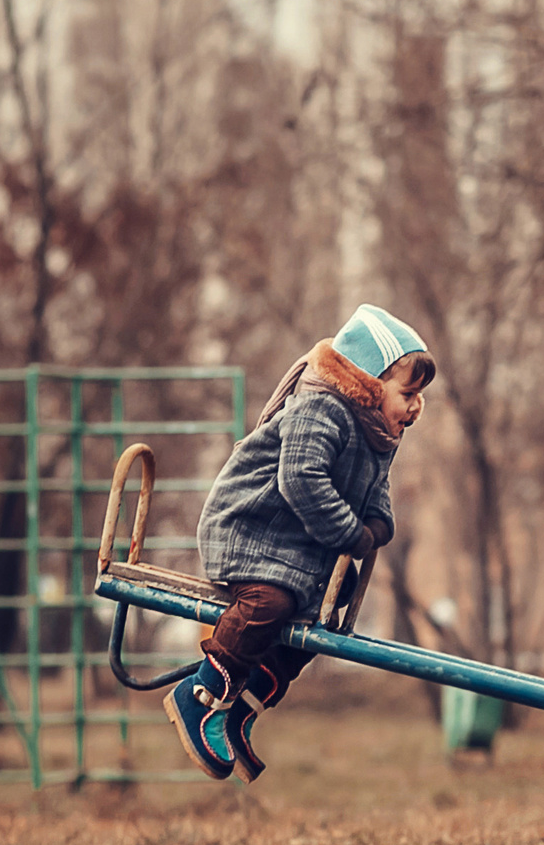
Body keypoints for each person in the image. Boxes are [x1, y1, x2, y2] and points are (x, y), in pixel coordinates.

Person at [166, 304, 434, 781]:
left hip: (297, 549)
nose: (416, 406)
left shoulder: (378, 434)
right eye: (408, 393)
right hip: (250, 530)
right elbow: (300, 480)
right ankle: (202, 696)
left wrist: (378, 523)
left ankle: (244, 706)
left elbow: (377, 491)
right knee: (270, 602)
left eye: (420, 396)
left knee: (327, 610)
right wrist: (351, 533)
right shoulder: (320, 407)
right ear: (369, 384)